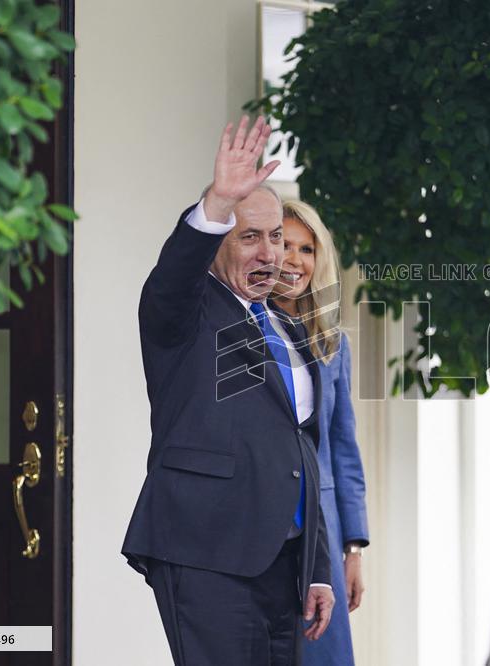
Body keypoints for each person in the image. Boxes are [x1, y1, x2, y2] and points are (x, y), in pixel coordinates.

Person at [122, 115, 335, 665]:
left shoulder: (288, 328)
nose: (271, 255)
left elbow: (302, 449)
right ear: (219, 243)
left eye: (276, 238)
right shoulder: (184, 314)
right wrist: (218, 203)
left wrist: (317, 568)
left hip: (283, 562)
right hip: (205, 550)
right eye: (249, 237)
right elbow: (174, 275)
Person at [271, 200, 370, 666]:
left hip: (322, 532)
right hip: (262, 527)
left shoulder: (334, 345)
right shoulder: (239, 331)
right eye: (283, 245)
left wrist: (353, 547)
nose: (294, 260)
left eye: (306, 249)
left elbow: (343, 450)